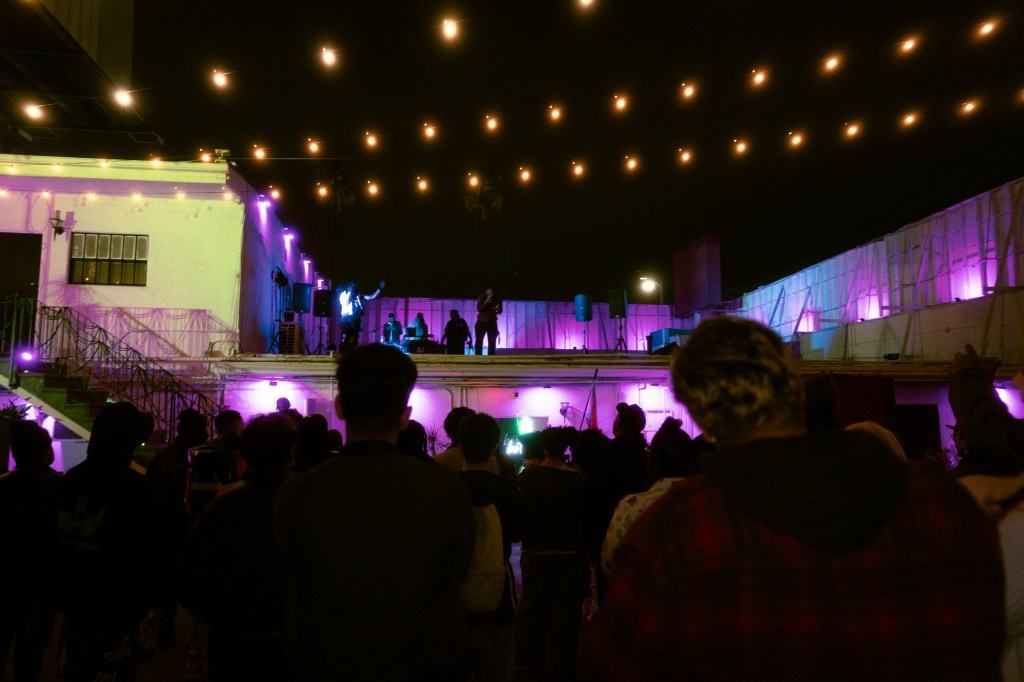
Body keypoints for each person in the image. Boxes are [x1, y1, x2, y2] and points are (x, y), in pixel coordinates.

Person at [582, 316, 1006, 680]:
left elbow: (618, 667)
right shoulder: (940, 502)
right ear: (794, 386)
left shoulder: (677, 532)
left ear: (701, 416)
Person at [274, 344, 476, 680]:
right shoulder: (445, 488)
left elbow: (290, 568)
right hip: (424, 660)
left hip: (326, 661)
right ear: (405, 415)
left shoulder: (299, 491)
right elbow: (458, 568)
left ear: (340, 406)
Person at [178, 413, 295, 681]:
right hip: (294, 640)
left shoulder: (223, 507)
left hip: (232, 640)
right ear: (290, 451)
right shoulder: (307, 502)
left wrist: (221, 615)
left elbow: (189, 581)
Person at [56, 402, 157, 681]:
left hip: (77, 598)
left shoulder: (72, 479)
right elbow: (147, 549)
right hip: (118, 602)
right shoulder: (135, 487)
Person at [515, 426, 588, 681]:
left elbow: (521, 516)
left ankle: (526, 661)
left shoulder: (526, 478)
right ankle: (563, 665)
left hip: (536, 550)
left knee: (532, 608)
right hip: (570, 552)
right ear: (565, 448)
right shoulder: (578, 480)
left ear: (544, 448)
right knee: (566, 612)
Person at [0, 420, 61, 681]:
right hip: (40, 583)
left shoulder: (5, 486)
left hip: (7, 579)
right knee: (30, 656)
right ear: (46, 451)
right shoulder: (59, 487)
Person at [146, 407, 209, 650]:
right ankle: (195, 641)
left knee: (167, 583)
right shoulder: (203, 459)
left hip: (167, 529)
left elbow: (151, 489)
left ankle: (165, 625)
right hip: (192, 530)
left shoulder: (164, 458)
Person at [585, 402, 648, 601]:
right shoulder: (646, 454)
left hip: (608, 528)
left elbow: (594, 494)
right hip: (641, 529)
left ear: (620, 425)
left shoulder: (607, 454)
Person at [948, 343, 1024, 476]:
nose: (1015, 381)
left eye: (1023, 372)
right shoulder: (1003, 471)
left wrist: (969, 376)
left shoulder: (967, 476)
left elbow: (995, 434)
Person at [337, 279, 384, 347]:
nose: (354, 291)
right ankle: (343, 347)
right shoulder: (344, 295)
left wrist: (379, 289)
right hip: (346, 319)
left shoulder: (359, 297)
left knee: (354, 338)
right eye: (352, 288)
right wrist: (350, 292)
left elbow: (372, 297)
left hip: (356, 320)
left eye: (354, 289)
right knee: (345, 336)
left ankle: (353, 347)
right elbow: (344, 302)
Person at [475, 287, 502, 356]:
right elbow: (479, 308)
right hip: (481, 321)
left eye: (492, 291)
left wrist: (495, 309)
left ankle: (491, 358)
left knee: (492, 341)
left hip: (491, 322)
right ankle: (478, 357)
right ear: (486, 291)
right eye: (489, 291)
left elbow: (499, 311)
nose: (490, 292)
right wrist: (487, 301)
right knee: (479, 341)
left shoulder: (496, 298)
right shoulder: (482, 297)